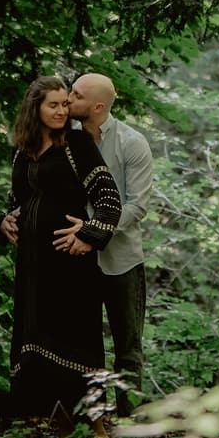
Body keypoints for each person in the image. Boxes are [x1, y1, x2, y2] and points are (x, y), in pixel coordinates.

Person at [0, 75, 122, 436]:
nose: (60, 111)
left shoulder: (77, 144)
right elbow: (17, 200)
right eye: (52, 104)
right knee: (38, 347)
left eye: (64, 104)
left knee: (78, 347)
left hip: (70, 269)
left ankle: (98, 433)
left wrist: (88, 236)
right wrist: (3, 221)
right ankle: (64, 437)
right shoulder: (22, 150)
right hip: (34, 270)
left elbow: (109, 202)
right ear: (34, 108)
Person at [65, 71, 153, 416]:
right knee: (82, 346)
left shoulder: (132, 143)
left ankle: (131, 426)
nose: (68, 99)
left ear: (98, 106)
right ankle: (93, 423)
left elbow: (137, 206)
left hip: (122, 261)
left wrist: (93, 233)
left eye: (76, 94)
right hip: (73, 260)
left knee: (128, 347)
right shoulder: (64, 141)